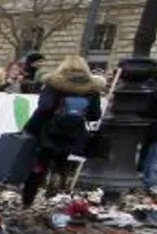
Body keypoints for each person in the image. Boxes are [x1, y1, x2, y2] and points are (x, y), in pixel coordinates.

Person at [19, 55, 104, 207]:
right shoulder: (92, 88)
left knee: (40, 165)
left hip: (50, 130)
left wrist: (30, 128)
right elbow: (94, 115)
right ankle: (55, 194)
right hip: (74, 132)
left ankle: (28, 200)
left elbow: (44, 108)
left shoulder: (54, 83)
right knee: (62, 162)